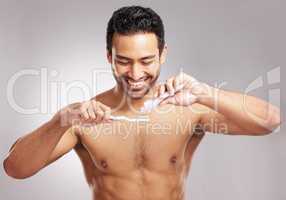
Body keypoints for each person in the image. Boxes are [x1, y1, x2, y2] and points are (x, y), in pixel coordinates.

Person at [3, 6, 281, 200]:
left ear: (162, 55)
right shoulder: (84, 118)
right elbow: (15, 169)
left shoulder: (189, 108)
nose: (135, 74)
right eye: (123, 61)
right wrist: (59, 120)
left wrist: (206, 93)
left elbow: (271, 121)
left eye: (146, 61)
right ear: (109, 57)